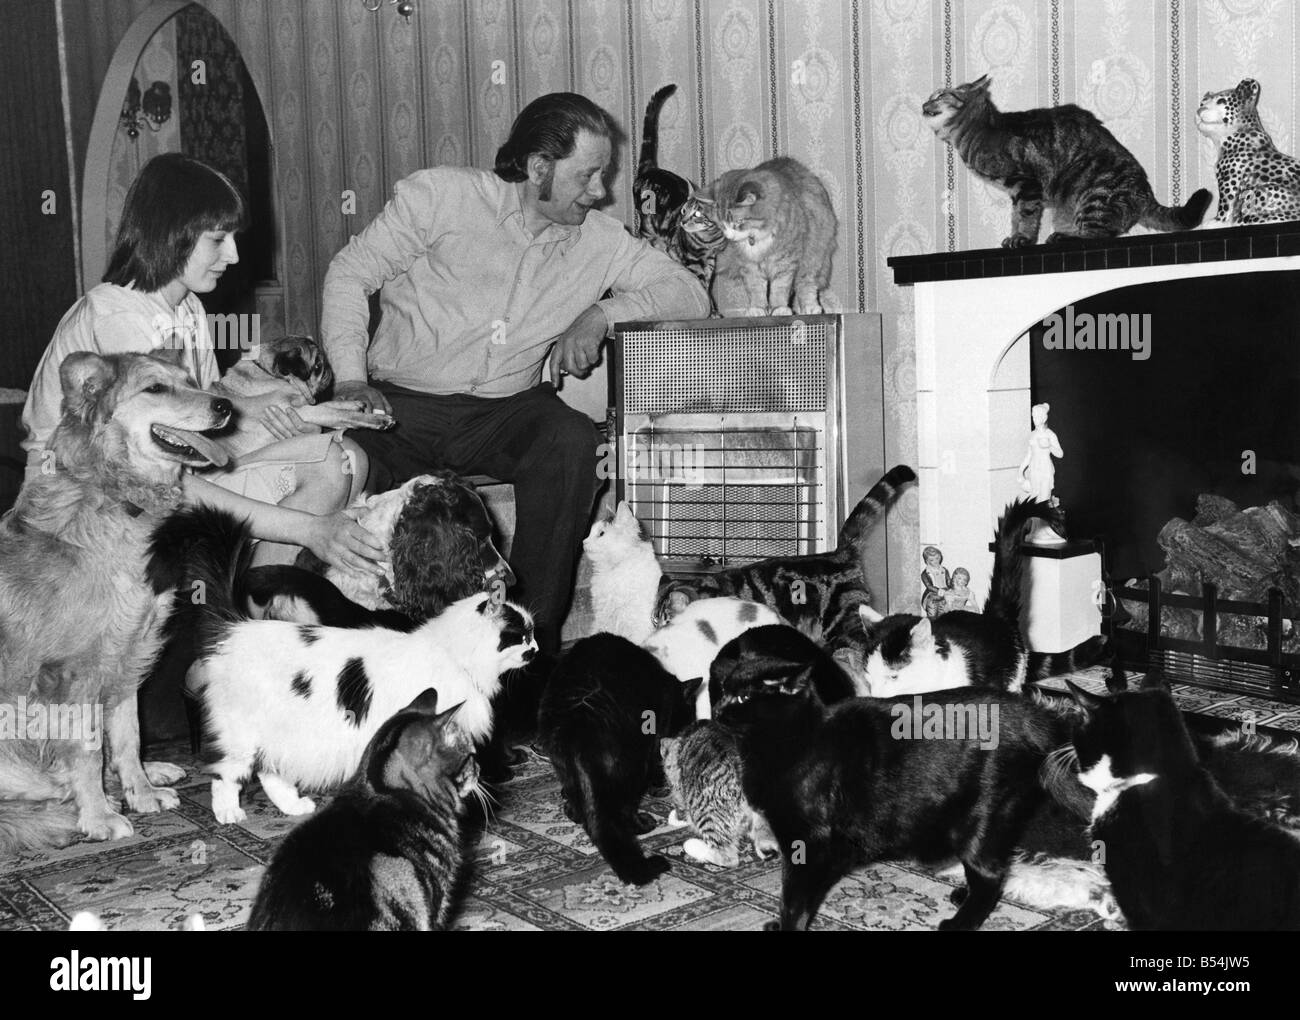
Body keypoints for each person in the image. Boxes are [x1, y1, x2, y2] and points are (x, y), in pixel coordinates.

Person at [320, 92, 710, 655]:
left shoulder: (599, 241)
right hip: (402, 405)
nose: (600, 192)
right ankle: (377, 646)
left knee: (570, 439)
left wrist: (601, 313)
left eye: (604, 175)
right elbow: (349, 273)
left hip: (505, 411)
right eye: (588, 175)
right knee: (341, 457)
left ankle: (533, 639)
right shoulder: (440, 197)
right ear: (537, 167)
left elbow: (690, 292)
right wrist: (352, 378)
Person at [21, 154, 388, 573]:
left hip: (160, 480)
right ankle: (249, 607)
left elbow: (209, 417)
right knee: (325, 480)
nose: (232, 255)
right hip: (88, 508)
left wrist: (303, 416)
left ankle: (259, 603)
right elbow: (171, 481)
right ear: (171, 235)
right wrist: (308, 529)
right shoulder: (118, 317)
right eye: (218, 239)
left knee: (347, 459)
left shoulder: (189, 307)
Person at [1020, 401, 1064, 504]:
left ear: (1043, 418)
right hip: (1034, 469)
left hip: (1045, 469)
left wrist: (1049, 445)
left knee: (1044, 500)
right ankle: (1036, 519)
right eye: (1033, 416)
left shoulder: (1050, 434)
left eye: (1037, 416)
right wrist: (1020, 471)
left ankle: (1044, 518)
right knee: (1034, 500)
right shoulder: (1032, 435)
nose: (1034, 419)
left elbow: (1060, 454)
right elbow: (1029, 455)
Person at [920, 545, 951, 618]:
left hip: (944, 595)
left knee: (942, 613)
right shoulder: (925, 573)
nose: (936, 561)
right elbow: (929, 586)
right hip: (932, 596)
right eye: (932, 560)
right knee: (932, 614)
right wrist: (938, 590)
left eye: (937, 558)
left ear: (940, 557)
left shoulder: (944, 570)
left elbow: (948, 581)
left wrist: (953, 583)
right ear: (927, 561)